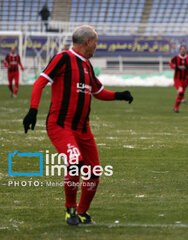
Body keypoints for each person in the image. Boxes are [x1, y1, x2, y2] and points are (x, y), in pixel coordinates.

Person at [23, 25, 133, 225]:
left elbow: (98, 92)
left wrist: (119, 95)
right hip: (60, 125)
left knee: (94, 172)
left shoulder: (87, 66)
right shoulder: (63, 58)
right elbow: (40, 82)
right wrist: (33, 110)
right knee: (75, 164)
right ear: (88, 42)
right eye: (96, 43)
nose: (96, 47)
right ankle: (70, 209)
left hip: (83, 129)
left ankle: (82, 213)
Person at [168, 45, 188, 113]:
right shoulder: (176, 58)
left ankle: (177, 106)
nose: (183, 50)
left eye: (184, 49)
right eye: (182, 49)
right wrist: (174, 67)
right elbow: (170, 62)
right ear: (179, 50)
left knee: (182, 92)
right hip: (177, 79)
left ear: (185, 50)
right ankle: (176, 107)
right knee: (181, 92)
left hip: (185, 79)